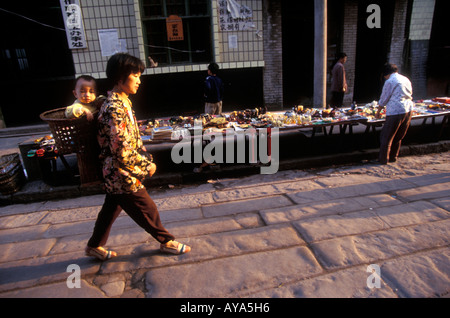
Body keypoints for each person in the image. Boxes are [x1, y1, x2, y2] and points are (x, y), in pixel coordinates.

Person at [85, 53, 191, 261]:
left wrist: (144, 156)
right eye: (135, 75)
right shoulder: (114, 108)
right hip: (120, 172)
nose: (139, 80)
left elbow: (130, 139)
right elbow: (121, 150)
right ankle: (166, 241)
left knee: (111, 208)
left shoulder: (122, 101)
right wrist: (146, 165)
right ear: (120, 77)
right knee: (146, 207)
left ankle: (94, 246)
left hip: (116, 172)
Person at [375, 63, 413, 165]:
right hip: (408, 109)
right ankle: (393, 157)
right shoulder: (405, 79)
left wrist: (378, 111)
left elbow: (384, 98)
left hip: (395, 111)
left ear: (386, 74)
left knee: (386, 137)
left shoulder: (390, 81)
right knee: (398, 136)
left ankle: (383, 159)